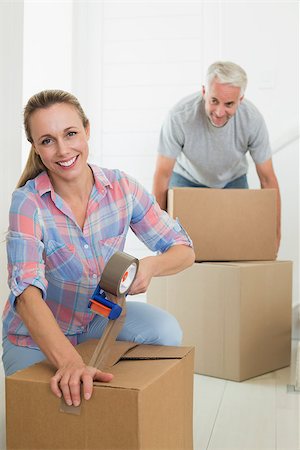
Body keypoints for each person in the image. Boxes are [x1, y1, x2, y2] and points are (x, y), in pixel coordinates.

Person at [2, 90, 195, 408]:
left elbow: (184, 249)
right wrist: (69, 362)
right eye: (48, 140)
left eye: (71, 133)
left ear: (87, 130)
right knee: (46, 411)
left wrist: (149, 266)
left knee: (166, 331)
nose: (63, 150)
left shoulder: (121, 189)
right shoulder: (28, 203)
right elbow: (26, 296)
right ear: (36, 147)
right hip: (35, 336)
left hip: (95, 320)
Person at [152, 61, 281, 247]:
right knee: (180, 247)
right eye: (214, 101)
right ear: (204, 92)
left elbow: (268, 180)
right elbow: (162, 175)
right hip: (187, 179)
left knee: (235, 246)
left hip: (233, 180)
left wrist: (275, 235)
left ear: (240, 99)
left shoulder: (252, 120)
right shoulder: (179, 116)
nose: (220, 112)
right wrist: (157, 232)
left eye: (229, 104)